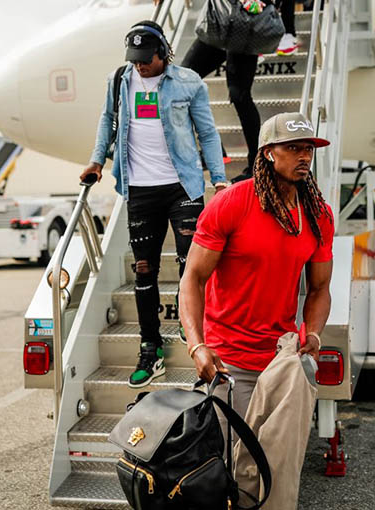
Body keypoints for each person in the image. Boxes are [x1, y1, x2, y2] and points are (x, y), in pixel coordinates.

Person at [80, 20, 228, 389]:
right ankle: (151, 348)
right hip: (140, 189)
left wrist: (219, 177)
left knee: (190, 264)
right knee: (143, 272)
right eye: (135, 59)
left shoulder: (188, 81)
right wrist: (97, 161)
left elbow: (207, 132)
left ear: (163, 53)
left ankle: (191, 326)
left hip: (183, 185)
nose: (140, 65)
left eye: (147, 58)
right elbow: (108, 122)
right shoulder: (120, 80)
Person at [179, 110, 334, 418]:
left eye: (308, 149)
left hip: (281, 359)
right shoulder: (231, 203)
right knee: (230, 460)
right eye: (292, 148)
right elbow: (192, 279)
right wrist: (197, 347)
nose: (303, 156)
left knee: (277, 462)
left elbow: (319, 288)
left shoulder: (318, 215)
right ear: (268, 153)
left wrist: (314, 333)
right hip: (229, 361)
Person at [182, 23, 263, 181]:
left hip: (244, 21)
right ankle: (212, 150)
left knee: (240, 95)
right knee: (182, 81)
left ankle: (258, 165)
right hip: (219, 21)